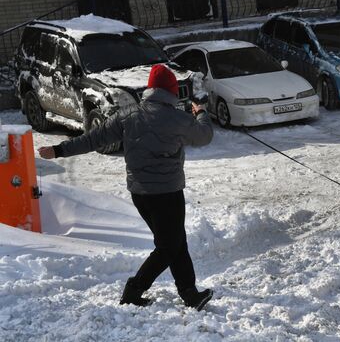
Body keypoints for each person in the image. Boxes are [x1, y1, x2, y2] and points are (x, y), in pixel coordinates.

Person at [39, 64, 214, 311]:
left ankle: (189, 292)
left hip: (140, 194)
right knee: (169, 246)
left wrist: (59, 150)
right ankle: (134, 290)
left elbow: (94, 139)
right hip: (167, 193)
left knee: (174, 241)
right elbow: (204, 135)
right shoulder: (177, 118)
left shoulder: (129, 114)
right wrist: (201, 112)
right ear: (172, 91)